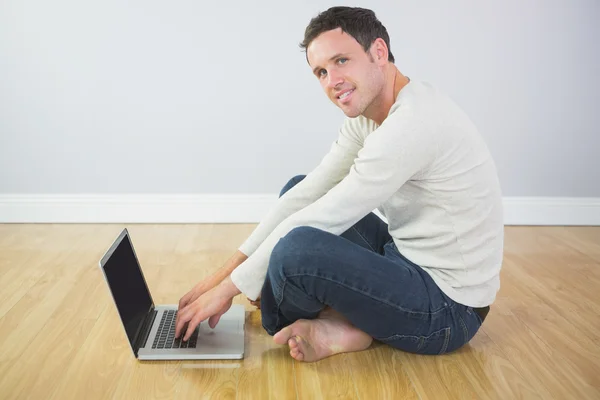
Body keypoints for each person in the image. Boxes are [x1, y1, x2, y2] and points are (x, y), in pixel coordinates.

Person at [174, 6, 504, 363]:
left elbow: (329, 215)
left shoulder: (412, 124)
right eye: (321, 72)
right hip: (405, 258)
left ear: (378, 52)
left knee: (293, 252)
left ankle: (342, 323)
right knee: (296, 191)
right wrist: (223, 276)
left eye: (342, 61)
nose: (332, 81)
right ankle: (351, 324)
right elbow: (308, 194)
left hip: (449, 310)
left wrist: (232, 288)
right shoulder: (372, 116)